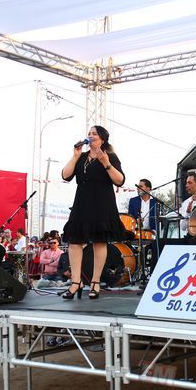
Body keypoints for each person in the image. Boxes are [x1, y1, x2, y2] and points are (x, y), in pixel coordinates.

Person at [61, 125, 126, 300]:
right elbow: (65, 175)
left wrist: (106, 163)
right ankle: (76, 282)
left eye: (94, 133)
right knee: (74, 241)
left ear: (102, 138)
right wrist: (75, 156)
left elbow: (120, 180)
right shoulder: (81, 157)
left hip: (102, 203)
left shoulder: (109, 156)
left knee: (99, 241)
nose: (90, 136)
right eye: (89, 133)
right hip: (82, 202)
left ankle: (95, 282)